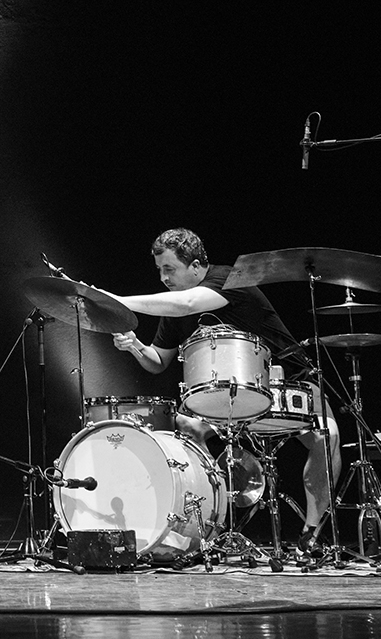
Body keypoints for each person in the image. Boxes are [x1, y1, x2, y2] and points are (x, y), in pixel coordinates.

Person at [102, 227, 341, 552]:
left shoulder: (229, 280)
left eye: (169, 269)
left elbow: (185, 303)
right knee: (187, 426)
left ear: (197, 265)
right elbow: (158, 360)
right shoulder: (177, 307)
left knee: (328, 436)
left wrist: (113, 301)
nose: (163, 278)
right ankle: (207, 526)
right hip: (228, 393)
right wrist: (134, 346)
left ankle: (312, 532)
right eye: (159, 270)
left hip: (287, 378)